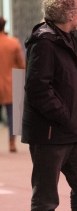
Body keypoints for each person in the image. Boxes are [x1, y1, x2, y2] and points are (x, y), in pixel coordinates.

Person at [21, 0, 77, 211]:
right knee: (46, 199)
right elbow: (38, 89)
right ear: (71, 15)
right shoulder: (44, 42)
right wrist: (64, 115)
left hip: (75, 134)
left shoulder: (68, 38)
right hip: (50, 135)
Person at [0, 16, 25, 152]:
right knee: (12, 115)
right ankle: (11, 142)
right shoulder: (13, 43)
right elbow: (21, 64)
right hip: (10, 83)